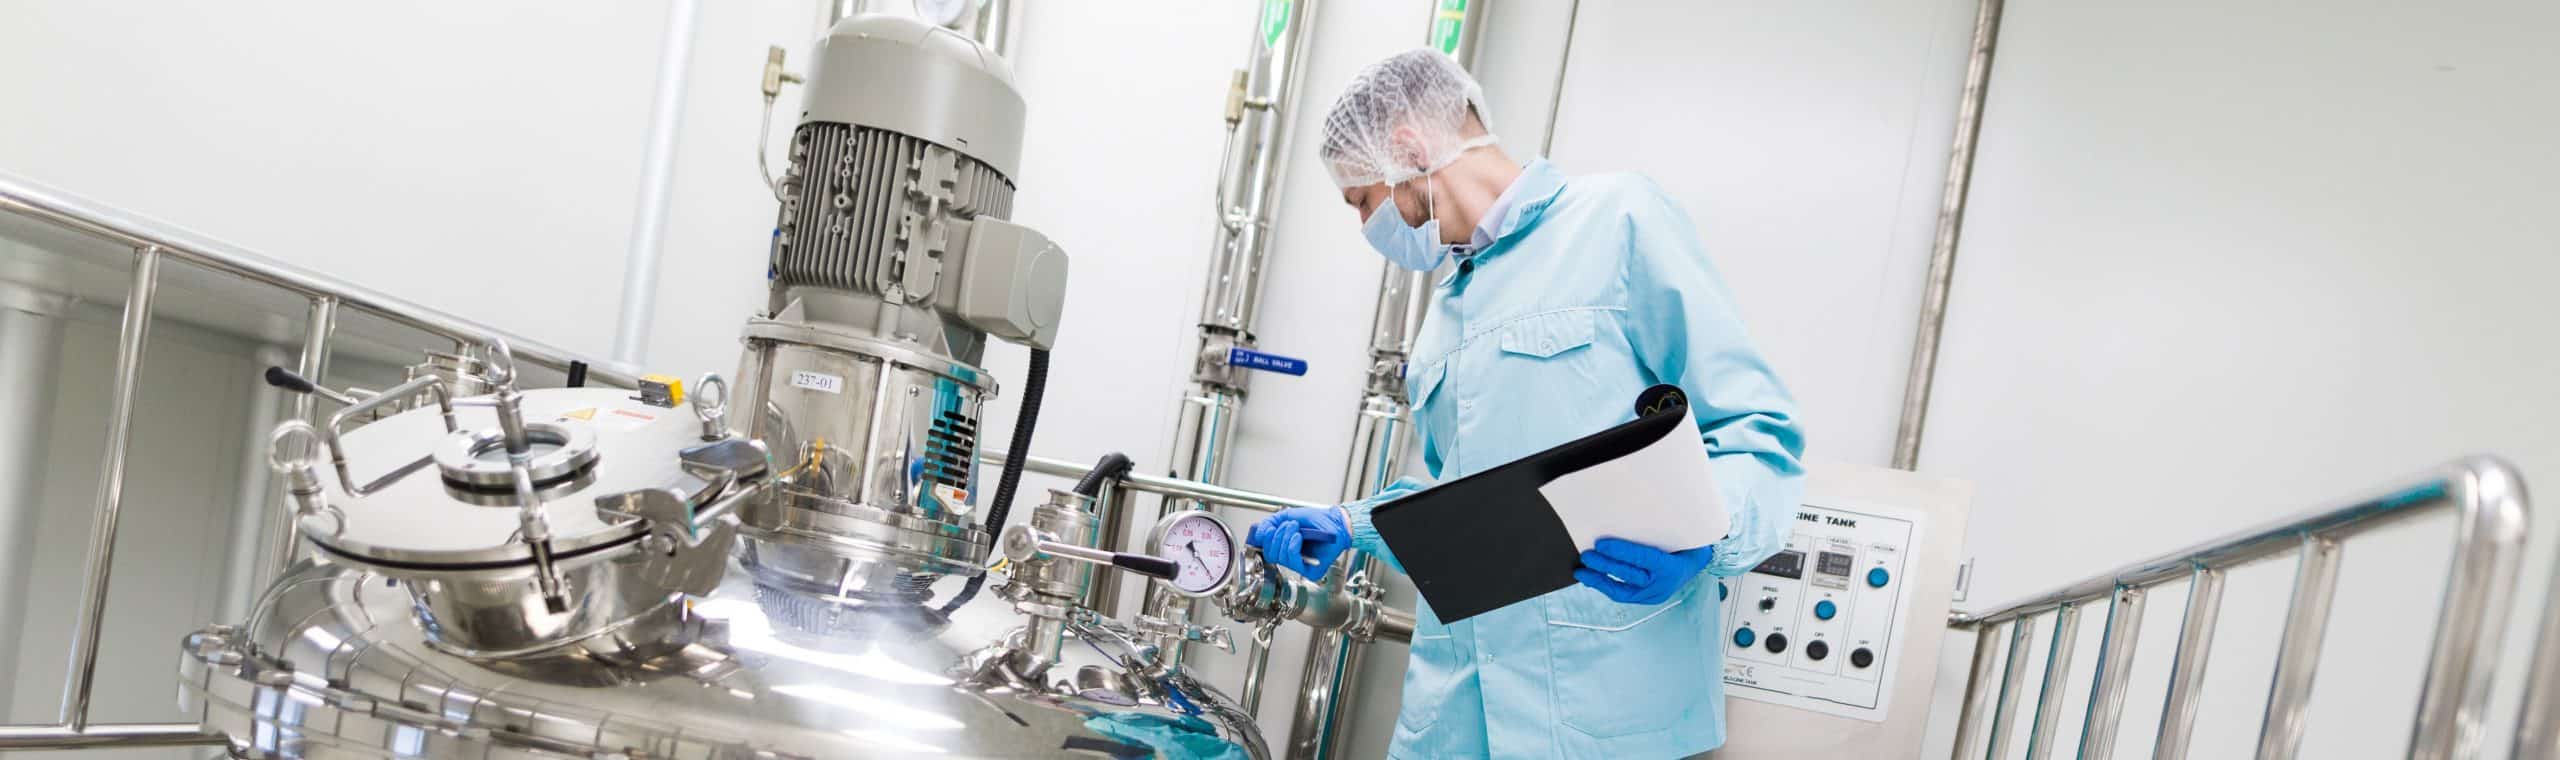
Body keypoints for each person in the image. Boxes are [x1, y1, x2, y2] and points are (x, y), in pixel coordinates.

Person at [1244, 49, 1806, 759]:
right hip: (1455, 720)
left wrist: (1709, 538)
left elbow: (1759, 430)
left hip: (1603, 718)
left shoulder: (1618, 221)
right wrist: (1351, 525)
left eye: (1361, 200)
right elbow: (1464, 507)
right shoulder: (1444, 318)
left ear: (1406, 151)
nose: (1365, 227)